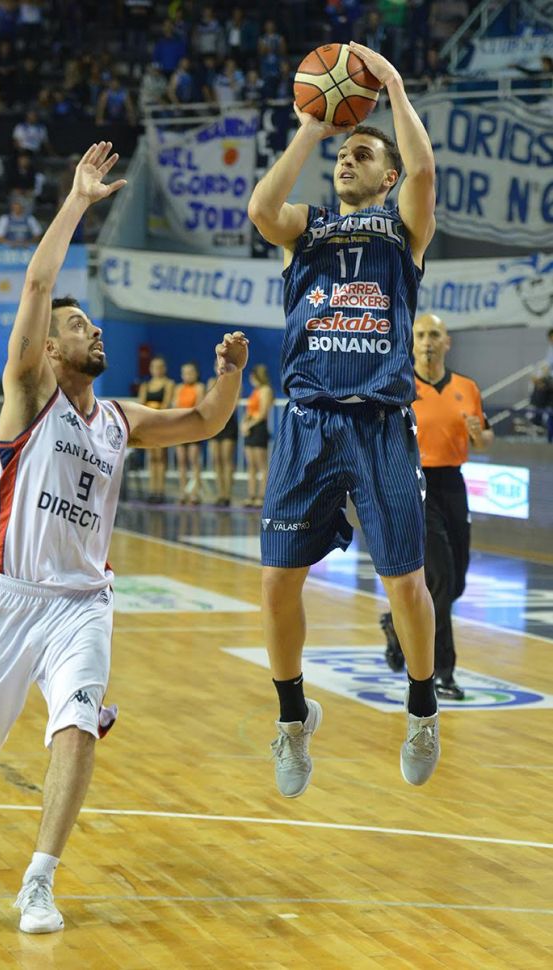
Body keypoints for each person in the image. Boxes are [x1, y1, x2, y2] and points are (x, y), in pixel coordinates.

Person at [0, 141, 248, 935]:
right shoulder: (27, 395)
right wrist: (77, 200)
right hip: (8, 594)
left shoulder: (119, 419)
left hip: (83, 603)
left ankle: (38, 882)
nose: (93, 331)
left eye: (96, 324)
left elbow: (206, 422)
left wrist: (231, 373)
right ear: (49, 348)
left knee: (75, 724)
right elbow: (38, 285)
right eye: (79, 325)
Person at [247, 41, 439, 795]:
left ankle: (421, 709)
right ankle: (293, 720)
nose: (347, 161)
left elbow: (424, 173)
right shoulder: (308, 226)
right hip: (307, 423)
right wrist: (311, 127)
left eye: (362, 154)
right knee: (275, 583)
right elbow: (262, 211)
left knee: (405, 586)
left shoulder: (402, 228)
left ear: (387, 175)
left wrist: (392, 88)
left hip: (380, 424)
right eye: (343, 155)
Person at [380, 314, 494, 699]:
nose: (427, 341)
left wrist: (480, 435)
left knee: (455, 582)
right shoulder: (400, 385)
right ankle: (442, 673)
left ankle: (396, 624)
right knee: (441, 578)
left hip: (453, 485)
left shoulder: (466, 387)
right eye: (421, 335)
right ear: (411, 342)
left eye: (434, 335)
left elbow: (485, 437)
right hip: (415, 484)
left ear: (447, 342)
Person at [138, 354, 175, 503]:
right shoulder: (145, 385)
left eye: (160, 367)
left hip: (161, 424)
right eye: (154, 367)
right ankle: (152, 490)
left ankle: (160, 490)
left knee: (160, 457)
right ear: (150, 368)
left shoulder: (169, 384)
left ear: (164, 368)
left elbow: (166, 404)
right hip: (149, 424)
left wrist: (152, 409)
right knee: (152, 458)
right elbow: (141, 404)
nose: (157, 369)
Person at [207, 359, 239, 507]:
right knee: (216, 459)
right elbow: (208, 402)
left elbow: (234, 404)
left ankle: (227, 494)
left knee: (227, 459)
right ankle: (220, 493)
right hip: (215, 422)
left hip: (228, 422)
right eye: (217, 365)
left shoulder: (234, 381)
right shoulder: (211, 382)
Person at [173, 361, 206, 504]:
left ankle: (195, 492)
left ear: (196, 373)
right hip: (181, 427)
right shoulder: (179, 388)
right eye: (185, 373)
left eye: (190, 372)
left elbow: (198, 406)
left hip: (193, 427)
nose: (188, 375)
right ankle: (183, 491)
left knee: (194, 460)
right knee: (181, 460)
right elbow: (175, 406)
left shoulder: (199, 387)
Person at [242, 363, 273, 508]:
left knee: (261, 465)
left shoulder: (266, 390)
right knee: (251, 465)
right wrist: (244, 423)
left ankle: (262, 495)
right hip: (251, 428)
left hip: (259, 428)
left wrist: (249, 425)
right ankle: (251, 495)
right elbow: (249, 411)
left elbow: (262, 413)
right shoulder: (255, 391)